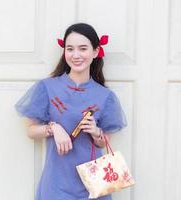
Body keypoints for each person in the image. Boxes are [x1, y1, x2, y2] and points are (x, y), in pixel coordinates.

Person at [15, 23, 127, 200]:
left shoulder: (105, 96)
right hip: (56, 184)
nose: (76, 55)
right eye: (70, 49)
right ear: (64, 52)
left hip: (94, 185)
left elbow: (104, 142)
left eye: (83, 49)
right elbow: (31, 130)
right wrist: (54, 128)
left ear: (96, 52)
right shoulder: (47, 87)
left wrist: (96, 131)